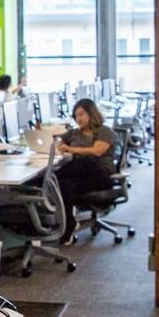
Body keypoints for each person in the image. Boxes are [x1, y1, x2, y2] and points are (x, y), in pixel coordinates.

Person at [53, 98, 120, 244]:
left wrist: (70, 149)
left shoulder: (104, 131)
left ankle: (51, 178)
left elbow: (97, 151)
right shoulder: (74, 133)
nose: (78, 119)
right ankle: (69, 224)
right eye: (76, 116)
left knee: (88, 160)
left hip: (101, 177)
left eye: (81, 114)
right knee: (64, 185)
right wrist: (61, 145)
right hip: (82, 179)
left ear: (91, 113)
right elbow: (58, 142)